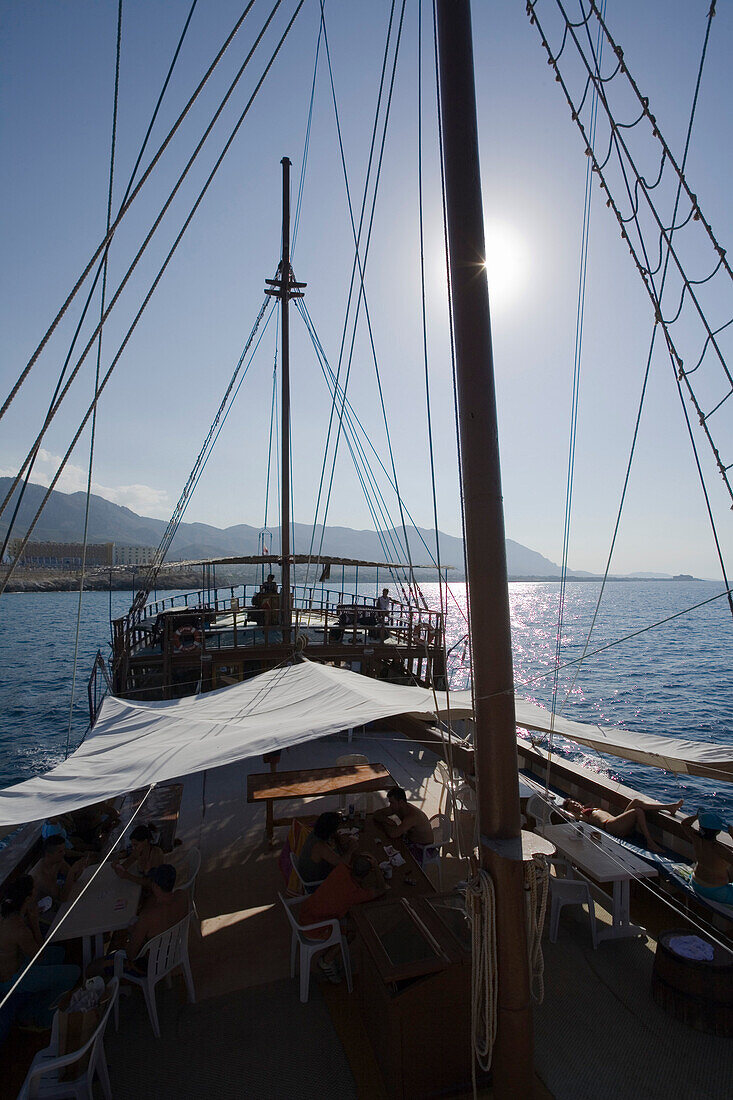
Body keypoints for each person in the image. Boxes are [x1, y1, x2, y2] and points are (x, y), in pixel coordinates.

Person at [0, 876, 80, 1028]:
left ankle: (40, 998)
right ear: (28, 898)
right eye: (34, 890)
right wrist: (35, 922)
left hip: (17, 963)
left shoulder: (6, 914)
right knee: (73, 972)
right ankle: (43, 1019)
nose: (37, 892)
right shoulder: (19, 930)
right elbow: (40, 957)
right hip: (13, 979)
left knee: (59, 953)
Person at [87, 864, 188, 979]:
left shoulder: (148, 917)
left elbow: (131, 954)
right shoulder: (182, 897)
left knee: (93, 968)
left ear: (155, 885)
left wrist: (132, 932)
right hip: (173, 953)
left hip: (150, 966)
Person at [299, 853, 386, 982]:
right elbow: (381, 890)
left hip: (307, 913)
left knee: (349, 918)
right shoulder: (355, 894)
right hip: (314, 927)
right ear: (368, 873)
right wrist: (377, 868)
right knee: (353, 931)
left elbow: (348, 863)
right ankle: (327, 961)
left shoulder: (341, 869)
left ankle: (329, 956)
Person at [562, 797, 684, 853]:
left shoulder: (587, 808)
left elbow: (590, 802)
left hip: (617, 822)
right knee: (638, 811)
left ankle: (669, 807)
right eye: (573, 806)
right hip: (611, 826)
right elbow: (568, 814)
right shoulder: (581, 816)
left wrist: (585, 806)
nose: (575, 805)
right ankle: (650, 842)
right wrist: (573, 810)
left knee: (636, 801)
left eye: (575, 803)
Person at [679, 810, 733, 906]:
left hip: (696, 883)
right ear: (718, 831)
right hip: (714, 891)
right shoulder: (718, 848)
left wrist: (697, 816)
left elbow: (684, 824)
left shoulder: (696, 838)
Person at [373, 786, 435, 863]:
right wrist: (387, 820)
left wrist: (385, 822)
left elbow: (393, 834)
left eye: (392, 802)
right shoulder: (397, 807)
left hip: (424, 848)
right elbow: (376, 814)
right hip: (410, 840)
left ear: (401, 802)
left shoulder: (412, 816)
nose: (390, 805)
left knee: (393, 857)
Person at [30, 835, 90, 909]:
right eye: (60, 851)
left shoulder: (58, 861)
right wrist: (72, 872)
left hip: (52, 898)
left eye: (64, 850)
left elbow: (74, 878)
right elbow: (62, 898)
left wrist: (81, 867)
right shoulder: (41, 875)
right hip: (40, 907)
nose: (64, 853)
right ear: (48, 855)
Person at [298, 812, 357, 886]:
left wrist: (337, 837)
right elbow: (342, 863)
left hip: (307, 873)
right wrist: (351, 849)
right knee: (354, 873)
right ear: (331, 830)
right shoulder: (320, 846)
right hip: (315, 884)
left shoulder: (315, 833)